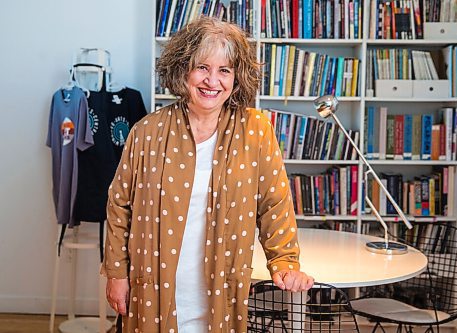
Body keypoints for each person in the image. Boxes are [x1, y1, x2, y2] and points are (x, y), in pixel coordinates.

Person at [101, 16, 314, 333]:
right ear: (182, 69)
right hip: (152, 291)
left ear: (236, 77)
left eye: (224, 70)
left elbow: (275, 204)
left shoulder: (256, 131)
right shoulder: (146, 132)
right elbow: (120, 206)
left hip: (222, 292)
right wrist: (117, 274)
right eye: (202, 67)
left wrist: (284, 261)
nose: (212, 80)